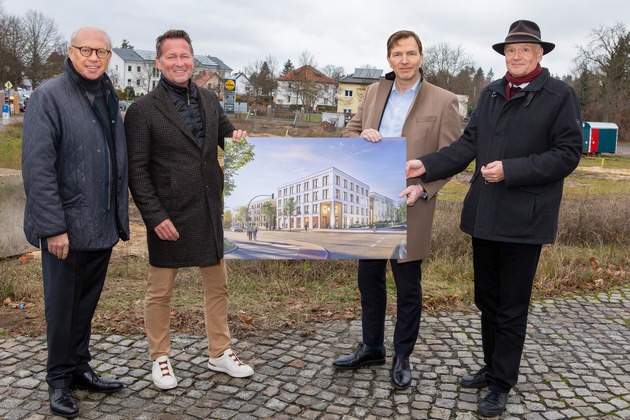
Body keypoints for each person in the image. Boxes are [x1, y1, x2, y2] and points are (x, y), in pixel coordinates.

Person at [402, 20, 583, 416]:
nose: (516, 56)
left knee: (512, 306)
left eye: (524, 50)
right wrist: (425, 166)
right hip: (484, 215)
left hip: (525, 218)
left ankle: (503, 382)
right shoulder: (491, 93)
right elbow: (468, 144)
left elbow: (568, 154)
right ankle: (491, 366)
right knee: (487, 300)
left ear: (539, 54)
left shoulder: (559, 96)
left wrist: (512, 170)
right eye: (510, 50)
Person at [332, 30, 462, 390]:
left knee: (407, 286)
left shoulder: (444, 100)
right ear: (388, 59)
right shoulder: (374, 92)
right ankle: (372, 346)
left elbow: (453, 156)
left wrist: (424, 188)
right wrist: (360, 136)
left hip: (411, 203)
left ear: (421, 57)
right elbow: (348, 133)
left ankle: (403, 355)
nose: (404, 60)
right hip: (371, 204)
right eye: (397, 54)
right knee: (368, 281)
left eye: (410, 53)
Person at [125, 29, 254, 391]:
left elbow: (227, 139)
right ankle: (160, 357)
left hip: (210, 209)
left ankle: (219, 351)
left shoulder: (211, 101)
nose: (179, 62)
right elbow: (137, 170)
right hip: (169, 214)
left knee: (219, 286)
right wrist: (155, 217)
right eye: (171, 56)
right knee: (160, 292)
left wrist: (240, 141)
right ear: (159, 62)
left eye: (185, 56)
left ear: (193, 60)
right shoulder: (142, 111)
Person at [22, 27, 129, 418]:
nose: (94, 57)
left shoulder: (107, 96)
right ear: (70, 52)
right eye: (86, 50)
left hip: (100, 227)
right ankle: (58, 380)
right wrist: (51, 227)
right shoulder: (48, 96)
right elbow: (37, 168)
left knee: (85, 307)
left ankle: (80, 367)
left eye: (102, 51)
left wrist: (118, 217)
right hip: (64, 230)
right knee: (61, 309)